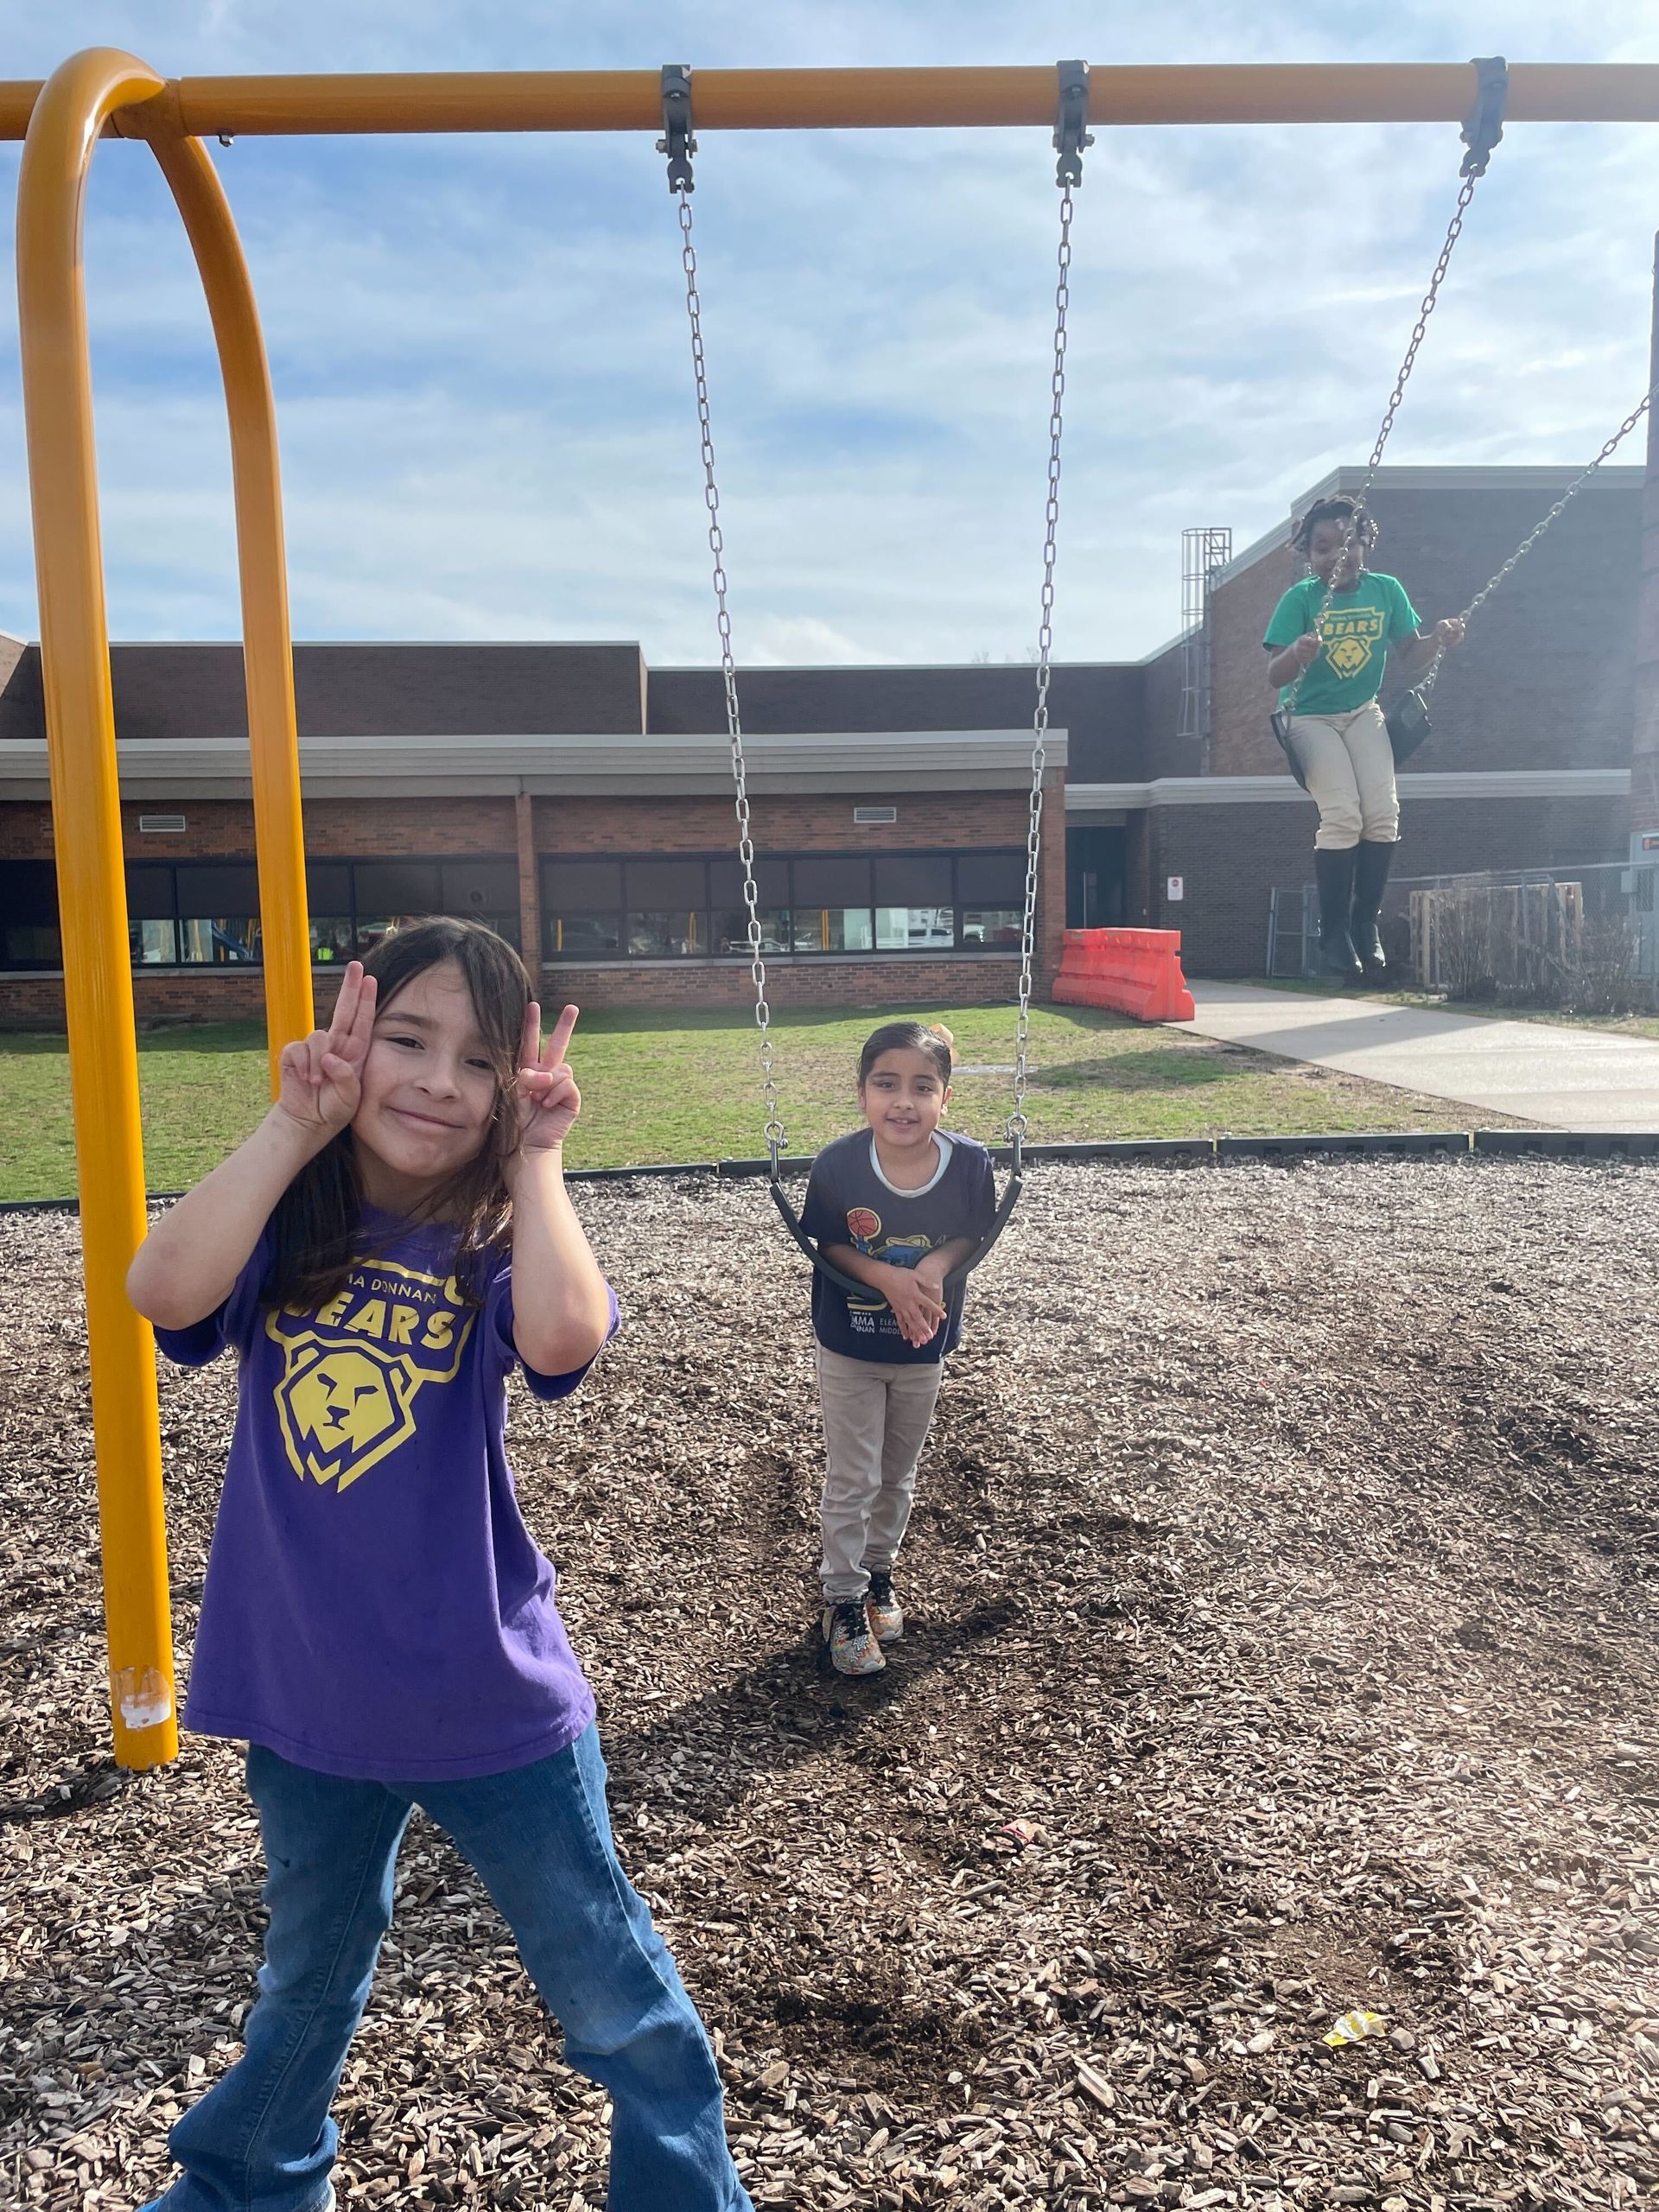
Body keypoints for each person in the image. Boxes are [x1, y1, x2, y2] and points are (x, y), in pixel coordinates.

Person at [127, 918, 752, 2212]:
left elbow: (570, 1335)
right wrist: (295, 1124)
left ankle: (684, 2195)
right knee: (306, 1982)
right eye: (406, 1038)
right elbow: (161, 1289)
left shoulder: (488, 1251)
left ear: (505, 1095)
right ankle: (249, 2182)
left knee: (610, 1994)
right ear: (348, 1039)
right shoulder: (286, 1230)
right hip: (307, 1703)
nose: (436, 1080)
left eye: (478, 1061)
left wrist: (541, 1160)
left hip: (490, 1704)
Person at [799, 1020, 995, 1677]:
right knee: (853, 1476)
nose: (903, 1102)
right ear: (862, 1094)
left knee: (897, 1475)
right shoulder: (839, 1165)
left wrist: (933, 1269)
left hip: (923, 1346)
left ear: (945, 1099)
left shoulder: (968, 1164)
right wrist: (889, 1277)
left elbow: (972, 1232)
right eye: (886, 1084)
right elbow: (827, 1240)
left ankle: (879, 1573)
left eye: (922, 1086)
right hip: (849, 1344)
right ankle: (843, 1599)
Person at [1263, 496, 1465, 982]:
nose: (1337, 555)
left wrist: (1438, 639)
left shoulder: (1386, 591)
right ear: (1309, 555)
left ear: (1365, 544)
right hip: (1309, 717)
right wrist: (1297, 652)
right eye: (1323, 548)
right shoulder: (1301, 600)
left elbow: (1410, 655)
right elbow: (1274, 676)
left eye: (1348, 542)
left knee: (1383, 814)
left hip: (1361, 712)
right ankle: (1332, 932)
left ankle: (1362, 923)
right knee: (1342, 814)